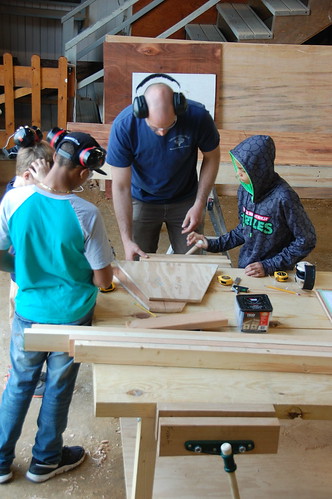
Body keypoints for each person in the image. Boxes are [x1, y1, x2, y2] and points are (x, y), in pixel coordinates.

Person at [0, 131, 113, 484]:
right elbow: (102, 279)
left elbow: (2, 251)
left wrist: (26, 270)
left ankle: (1, 461)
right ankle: (46, 459)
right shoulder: (86, 212)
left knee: (19, 384)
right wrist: (106, 281)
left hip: (29, 312)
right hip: (71, 317)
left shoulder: (13, 200)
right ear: (83, 172)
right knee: (58, 387)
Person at [106, 73, 220, 260]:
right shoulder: (124, 126)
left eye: (169, 126)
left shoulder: (197, 117)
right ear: (142, 111)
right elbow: (120, 186)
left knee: (191, 262)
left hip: (186, 200)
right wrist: (126, 240)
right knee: (138, 261)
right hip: (142, 199)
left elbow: (212, 158)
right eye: (155, 128)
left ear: (178, 108)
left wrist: (199, 203)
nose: (161, 133)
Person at [187, 134, 316, 277]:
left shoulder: (284, 197)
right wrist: (212, 244)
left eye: (243, 170)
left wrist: (270, 265)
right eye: (237, 169)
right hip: (247, 269)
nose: (238, 175)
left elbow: (306, 240)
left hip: (276, 274)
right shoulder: (244, 191)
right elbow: (243, 230)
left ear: (259, 169)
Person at [2, 133, 54, 398]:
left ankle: (24, 372)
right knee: (21, 330)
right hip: (21, 277)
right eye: (43, 176)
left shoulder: (19, 191)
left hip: (25, 274)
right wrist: (46, 185)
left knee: (26, 328)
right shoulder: (18, 199)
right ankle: (19, 375)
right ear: (26, 176)